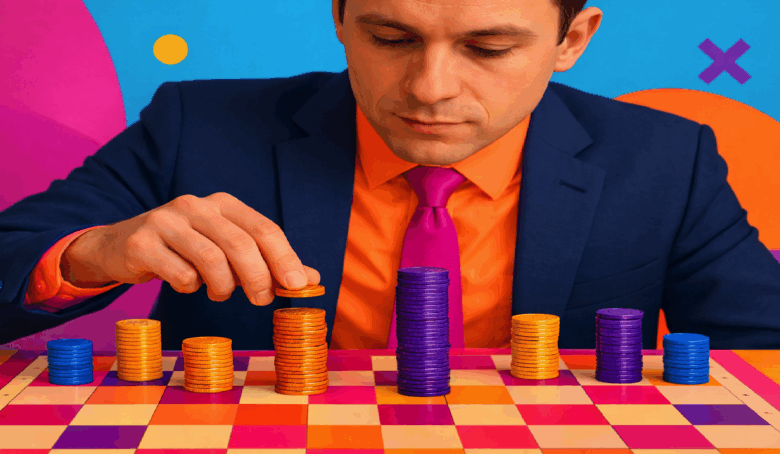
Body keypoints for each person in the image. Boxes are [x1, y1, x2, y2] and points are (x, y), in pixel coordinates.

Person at [1, 0, 779, 350]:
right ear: (339, 16)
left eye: (488, 47)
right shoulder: (196, 129)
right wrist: (90, 254)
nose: (430, 87)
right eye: (391, 36)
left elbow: (765, 346)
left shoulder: (665, 160)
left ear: (573, 38)